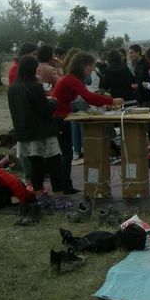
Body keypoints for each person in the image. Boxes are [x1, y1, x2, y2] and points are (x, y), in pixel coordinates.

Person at [52, 52, 124, 194]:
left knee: (67, 153)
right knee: (66, 154)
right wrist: (111, 101)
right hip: (59, 118)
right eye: (90, 66)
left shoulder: (71, 78)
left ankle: (66, 185)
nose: (92, 69)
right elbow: (88, 97)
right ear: (82, 66)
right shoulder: (71, 79)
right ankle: (64, 186)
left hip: (62, 116)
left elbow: (86, 96)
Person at [7, 55, 70, 210]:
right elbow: (46, 109)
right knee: (54, 165)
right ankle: (59, 200)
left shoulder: (13, 88)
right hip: (42, 134)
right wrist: (54, 101)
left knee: (35, 167)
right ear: (32, 69)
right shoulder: (34, 86)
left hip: (24, 133)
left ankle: (40, 198)